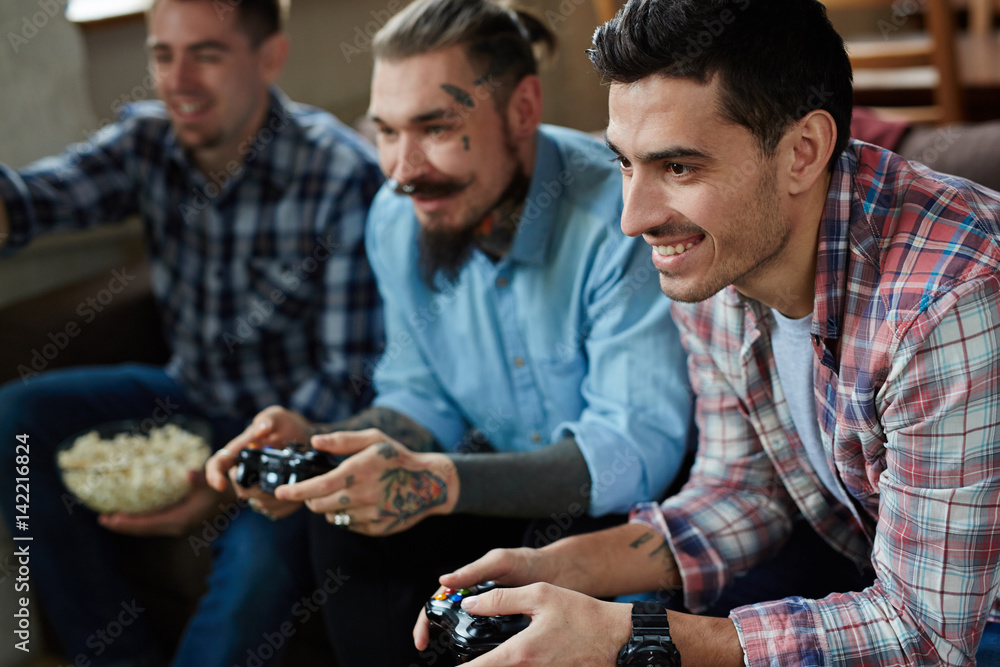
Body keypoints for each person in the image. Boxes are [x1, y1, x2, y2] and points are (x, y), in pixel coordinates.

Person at [413, 0, 1000, 665]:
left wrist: (633, 637)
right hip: (886, 582)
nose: (633, 218)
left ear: (802, 152)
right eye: (626, 164)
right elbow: (744, 490)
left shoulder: (945, 300)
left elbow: (924, 634)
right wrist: (555, 565)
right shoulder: (718, 252)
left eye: (679, 168)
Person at [206, 1, 693, 665]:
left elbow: (636, 452)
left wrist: (439, 482)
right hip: (491, 482)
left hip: (629, 514)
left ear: (523, 109)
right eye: (385, 132)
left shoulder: (621, 214)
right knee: (346, 526)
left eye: (435, 127)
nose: (402, 169)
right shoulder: (396, 216)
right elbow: (420, 396)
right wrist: (326, 446)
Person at [0, 0, 384, 665]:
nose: (177, 81)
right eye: (161, 54)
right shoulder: (148, 140)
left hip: (291, 429)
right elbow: (38, 198)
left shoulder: (341, 175)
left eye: (205, 54)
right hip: (185, 394)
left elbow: (350, 378)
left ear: (268, 57)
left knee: (256, 576)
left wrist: (228, 478)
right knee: (16, 417)